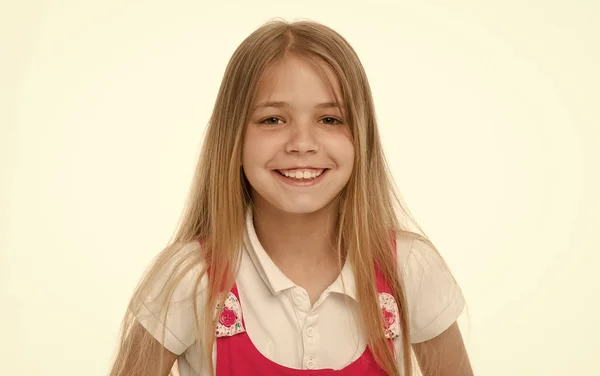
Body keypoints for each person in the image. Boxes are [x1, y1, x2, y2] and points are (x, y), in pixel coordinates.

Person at [108, 19, 473, 376]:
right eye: (273, 120)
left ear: (362, 138)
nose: (301, 144)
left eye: (330, 119)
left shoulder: (408, 270)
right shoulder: (190, 279)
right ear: (233, 138)